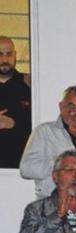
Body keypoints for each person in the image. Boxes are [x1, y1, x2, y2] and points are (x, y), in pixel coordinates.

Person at [19, 85, 76, 198]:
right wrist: (59, 163)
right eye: (72, 108)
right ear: (61, 107)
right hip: (51, 206)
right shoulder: (44, 131)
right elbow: (26, 170)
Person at [0, 35, 31, 168]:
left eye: (9, 54)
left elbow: (39, 125)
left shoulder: (29, 85)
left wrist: (14, 123)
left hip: (20, 169)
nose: (4, 59)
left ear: (15, 55)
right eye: (0, 54)